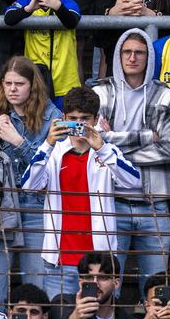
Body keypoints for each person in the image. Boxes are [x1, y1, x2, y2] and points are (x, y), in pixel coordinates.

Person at [22, 86, 140, 298]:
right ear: (64, 117)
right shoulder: (54, 151)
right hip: (60, 259)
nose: (79, 124)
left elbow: (133, 182)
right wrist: (47, 144)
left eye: (85, 118)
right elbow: (29, 185)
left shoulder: (106, 149)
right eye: (73, 118)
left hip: (99, 264)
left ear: (95, 119)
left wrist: (101, 148)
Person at [92, 29, 170, 294]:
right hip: (111, 204)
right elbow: (93, 144)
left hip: (154, 207)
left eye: (139, 52)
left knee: (157, 290)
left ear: (148, 57)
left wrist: (113, 145)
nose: (132, 58)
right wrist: (146, 137)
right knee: (107, 290)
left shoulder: (165, 96)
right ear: (118, 56)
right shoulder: (99, 93)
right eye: (127, 52)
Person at [0, 56, 61, 294]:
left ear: (32, 85)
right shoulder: (0, 112)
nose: (13, 90)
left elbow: (50, 169)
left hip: (36, 205)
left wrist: (18, 142)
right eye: (8, 84)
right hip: (2, 204)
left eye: (19, 84)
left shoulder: (52, 115)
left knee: (36, 285)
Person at [4, 0, 82, 99]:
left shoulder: (66, 2)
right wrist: (28, 9)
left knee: (62, 121)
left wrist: (57, 6)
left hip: (65, 79)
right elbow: (8, 18)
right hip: (34, 79)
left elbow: (72, 21)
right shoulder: (28, 0)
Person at [46, 252, 128, 319]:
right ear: (80, 282)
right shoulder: (62, 302)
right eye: (89, 278)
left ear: (116, 283)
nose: (95, 283)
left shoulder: (123, 318)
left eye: (102, 277)